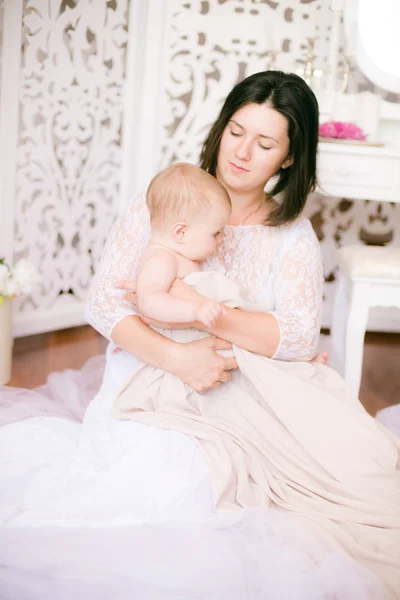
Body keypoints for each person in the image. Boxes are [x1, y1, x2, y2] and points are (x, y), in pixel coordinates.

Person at [0, 71, 397, 600]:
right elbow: (105, 303)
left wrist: (209, 316)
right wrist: (178, 356)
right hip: (153, 373)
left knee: (341, 469)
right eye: (236, 131)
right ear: (220, 127)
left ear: (287, 157)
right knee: (168, 484)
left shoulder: (290, 234)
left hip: (241, 382)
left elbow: (297, 337)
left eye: (264, 143)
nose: (242, 152)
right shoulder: (168, 203)